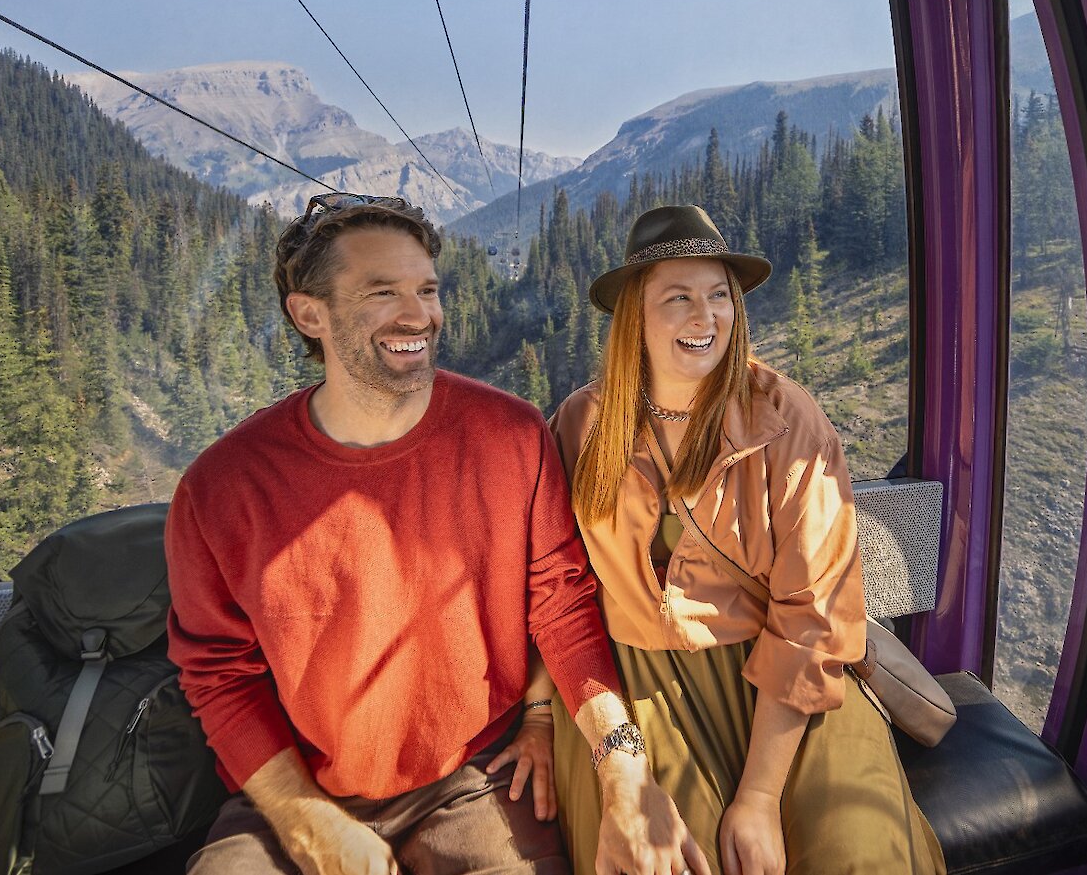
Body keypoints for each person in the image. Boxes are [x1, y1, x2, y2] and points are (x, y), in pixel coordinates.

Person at [166, 192, 707, 875]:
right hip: (298, 790)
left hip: (474, 776)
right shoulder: (222, 490)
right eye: (382, 291)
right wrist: (307, 821)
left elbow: (563, 610)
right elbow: (219, 678)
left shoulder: (511, 439)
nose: (419, 314)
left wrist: (625, 771)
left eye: (427, 288)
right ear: (310, 313)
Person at [536, 206, 945, 875]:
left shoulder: (786, 418)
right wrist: (536, 715)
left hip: (785, 679)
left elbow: (815, 614)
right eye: (679, 298)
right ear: (635, 317)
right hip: (642, 683)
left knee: (859, 853)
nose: (707, 317)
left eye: (720, 294)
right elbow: (550, 584)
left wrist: (758, 796)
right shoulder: (583, 425)